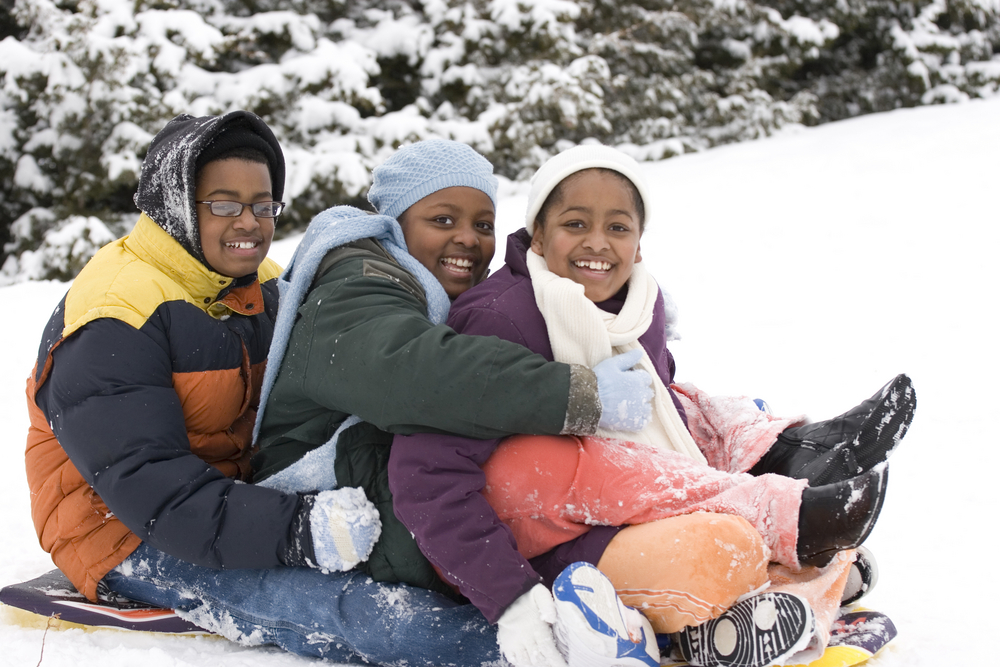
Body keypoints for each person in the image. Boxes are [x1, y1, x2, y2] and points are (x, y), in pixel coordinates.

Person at [23, 113, 561, 665]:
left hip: (241, 498)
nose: (250, 223)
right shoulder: (114, 316)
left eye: (263, 205)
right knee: (362, 612)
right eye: (226, 204)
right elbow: (152, 492)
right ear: (177, 204)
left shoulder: (266, 284)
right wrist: (300, 532)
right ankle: (546, 652)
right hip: (123, 532)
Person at [388, 145, 916, 667]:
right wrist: (509, 595)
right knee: (721, 547)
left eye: (618, 228)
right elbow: (426, 476)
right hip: (539, 534)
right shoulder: (499, 320)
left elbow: (662, 428)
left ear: (639, 244)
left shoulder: (640, 303)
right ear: (539, 235)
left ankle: (795, 470)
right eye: (576, 224)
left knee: (703, 413)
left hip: (621, 508)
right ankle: (793, 543)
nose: (598, 243)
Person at [250, 139, 660, 666]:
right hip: (330, 503)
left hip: (383, 483)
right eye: (443, 220)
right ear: (396, 224)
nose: (467, 238)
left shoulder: (431, 290)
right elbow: (419, 374)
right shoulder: (356, 283)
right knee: (527, 480)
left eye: (483, 224)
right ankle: (611, 601)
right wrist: (582, 395)